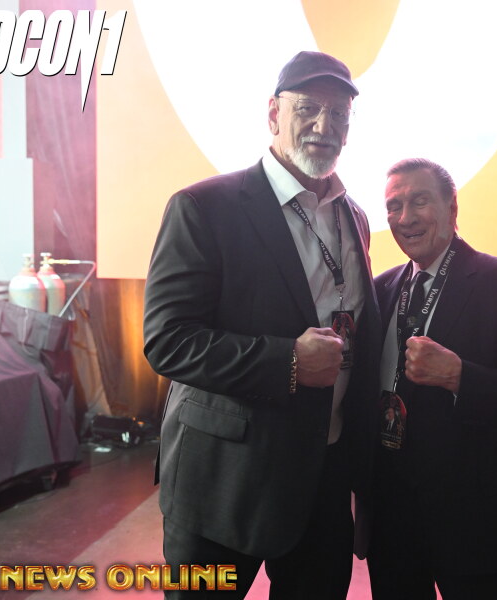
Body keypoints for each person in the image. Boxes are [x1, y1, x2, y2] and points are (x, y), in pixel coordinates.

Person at [143, 51, 381, 599]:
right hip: (226, 481)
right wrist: (288, 362)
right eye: (308, 108)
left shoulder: (354, 217)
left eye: (339, 114)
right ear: (274, 113)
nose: (324, 125)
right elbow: (168, 340)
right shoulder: (204, 207)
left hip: (324, 476)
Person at [361, 158, 497, 599]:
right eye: (394, 206)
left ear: (452, 208)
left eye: (420, 201)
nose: (405, 218)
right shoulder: (380, 289)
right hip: (392, 520)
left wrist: (460, 377)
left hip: (474, 520)